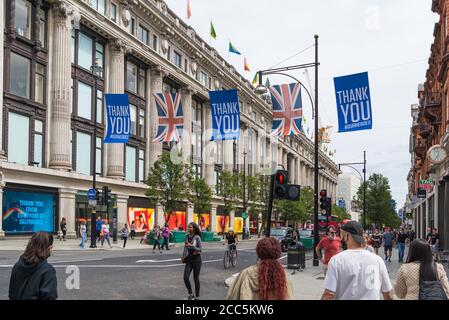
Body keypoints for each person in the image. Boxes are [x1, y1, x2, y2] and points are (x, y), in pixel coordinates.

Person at [321, 221, 393, 300]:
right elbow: (388, 294)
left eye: (342, 235)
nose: (341, 238)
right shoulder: (378, 260)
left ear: (347, 236)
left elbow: (329, 294)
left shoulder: (337, 260)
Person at [227, 237, 294, 300]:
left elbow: (232, 296)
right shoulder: (283, 278)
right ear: (278, 253)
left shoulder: (246, 274)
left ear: (259, 253)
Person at [9, 232, 57, 300]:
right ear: (49, 247)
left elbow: (11, 294)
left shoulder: (17, 267)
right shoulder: (47, 271)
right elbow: (49, 297)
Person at [182, 222, 203, 300]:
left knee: (195, 278)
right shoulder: (186, 236)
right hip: (189, 259)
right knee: (185, 277)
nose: (188, 228)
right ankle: (191, 294)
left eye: (190, 227)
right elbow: (185, 247)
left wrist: (193, 247)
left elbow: (200, 250)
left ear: (194, 228)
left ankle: (197, 296)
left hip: (197, 259)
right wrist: (183, 256)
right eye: (188, 227)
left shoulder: (197, 237)